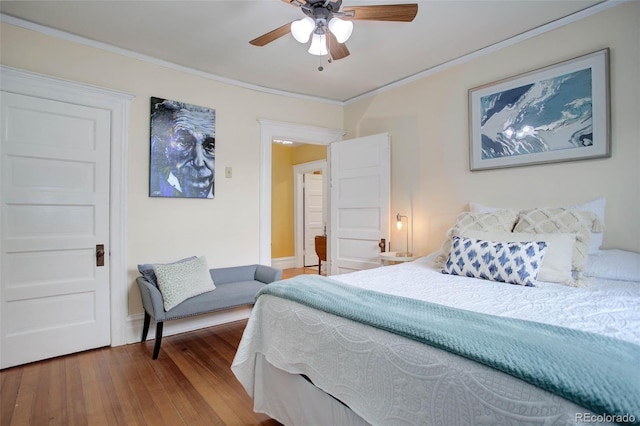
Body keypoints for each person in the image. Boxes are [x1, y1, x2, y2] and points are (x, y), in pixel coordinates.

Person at [150, 98, 216, 198]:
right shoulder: (157, 187)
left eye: (210, 146)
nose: (199, 162)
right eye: (184, 142)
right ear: (165, 146)